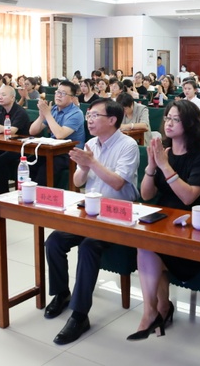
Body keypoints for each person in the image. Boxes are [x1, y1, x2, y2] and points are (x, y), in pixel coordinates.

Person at [43, 99, 139, 344]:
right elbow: (77, 182)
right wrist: (84, 167)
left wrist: (92, 162)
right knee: (54, 241)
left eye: (96, 115)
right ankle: (62, 294)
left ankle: (79, 314)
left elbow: (118, 183)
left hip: (119, 214)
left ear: (112, 120)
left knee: (88, 246)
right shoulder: (90, 143)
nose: (90, 119)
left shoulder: (128, 145)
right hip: (92, 212)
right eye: (89, 115)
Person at [131, 100, 200, 341]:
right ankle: (155, 309)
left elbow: (188, 197)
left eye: (175, 119)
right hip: (164, 222)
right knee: (146, 241)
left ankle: (157, 310)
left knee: (150, 246)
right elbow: (146, 195)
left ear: (189, 123)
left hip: (194, 226)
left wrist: (165, 166)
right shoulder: (162, 152)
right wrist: (150, 167)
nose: (168, 122)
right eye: (167, 117)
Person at [27, 81, 85, 187]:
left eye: (63, 93)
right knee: (30, 163)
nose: (58, 95)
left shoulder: (76, 113)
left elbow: (60, 135)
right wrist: (41, 116)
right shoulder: (53, 109)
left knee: (45, 169)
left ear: (72, 98)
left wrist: (47, 114)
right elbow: (32, 131)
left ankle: (41, 199)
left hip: (70, 154)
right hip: (53, 151)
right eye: (57, 92)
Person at [0, 84, 31, 193]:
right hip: (5, 145)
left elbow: (11, 131)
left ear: (13, 98)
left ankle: (2, 193)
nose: (0, 97)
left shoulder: (20, 112)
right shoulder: (1, 111)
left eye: (3, 95)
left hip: (20, 148)